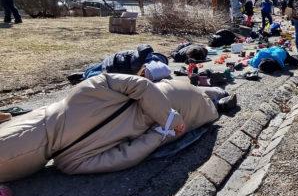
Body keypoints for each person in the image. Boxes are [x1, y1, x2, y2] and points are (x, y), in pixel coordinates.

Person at [0, 73, 238, 183]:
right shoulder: (82, 94)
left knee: (205, 104)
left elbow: (127, 155)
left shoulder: (70, 162)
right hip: (172, 101)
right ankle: (215, 94)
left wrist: (162, 130)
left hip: (170, 116)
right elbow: (141, 86)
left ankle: (215, 96)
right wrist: (166, 123)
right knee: (203, 100)